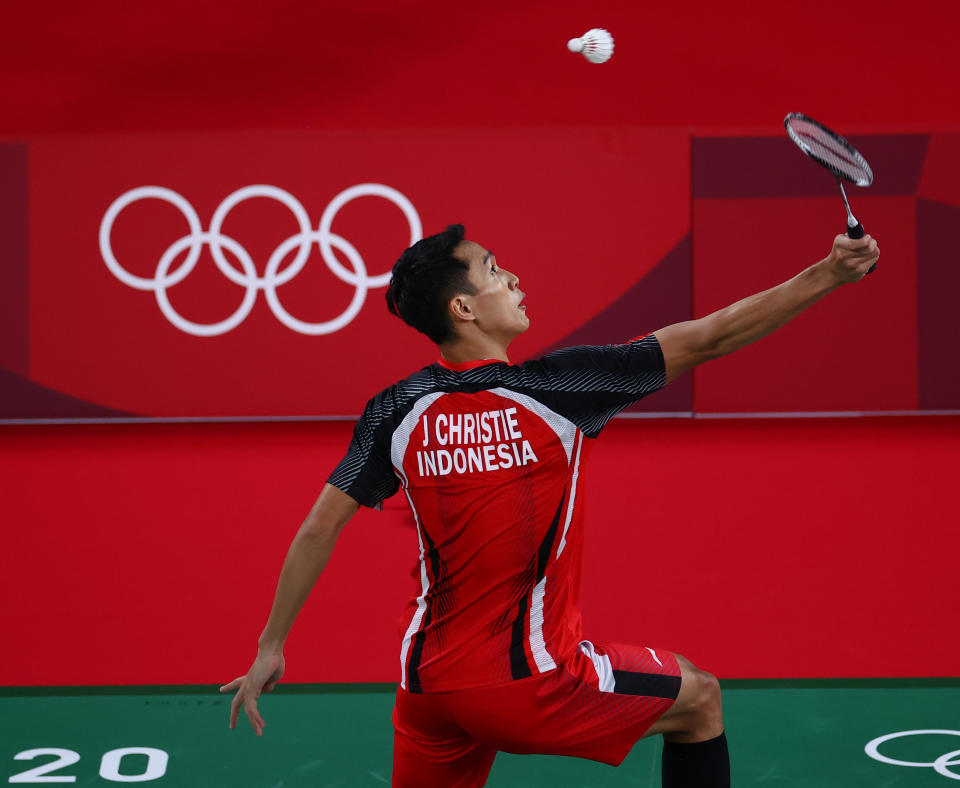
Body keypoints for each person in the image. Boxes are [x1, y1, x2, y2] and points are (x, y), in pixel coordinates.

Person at [222, 224, 880, 787]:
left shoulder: (395, 408)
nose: (514, 280)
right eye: (495, 272)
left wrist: (270, 646)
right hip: (525, 681)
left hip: (424, 689)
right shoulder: (560, 390)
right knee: (700, 698)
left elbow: (318, 527)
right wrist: (827, 274)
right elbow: (710, 337)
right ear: (464, 310)